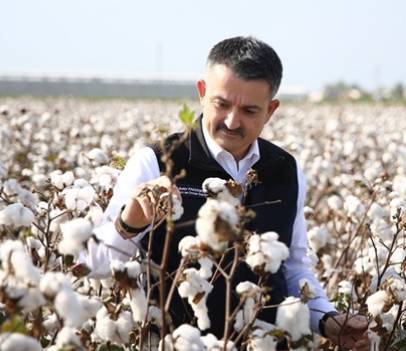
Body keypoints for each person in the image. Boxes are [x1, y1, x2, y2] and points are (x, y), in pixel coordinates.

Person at [81, 36, 369, 350]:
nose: (232, 121)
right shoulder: (157, 162)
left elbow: (293, 268)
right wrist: (130, 221)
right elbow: (93, 264)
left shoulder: (285, 170)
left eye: (249, 110)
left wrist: (327, 319)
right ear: (202, 94)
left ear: (270, 110)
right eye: (222, 104)